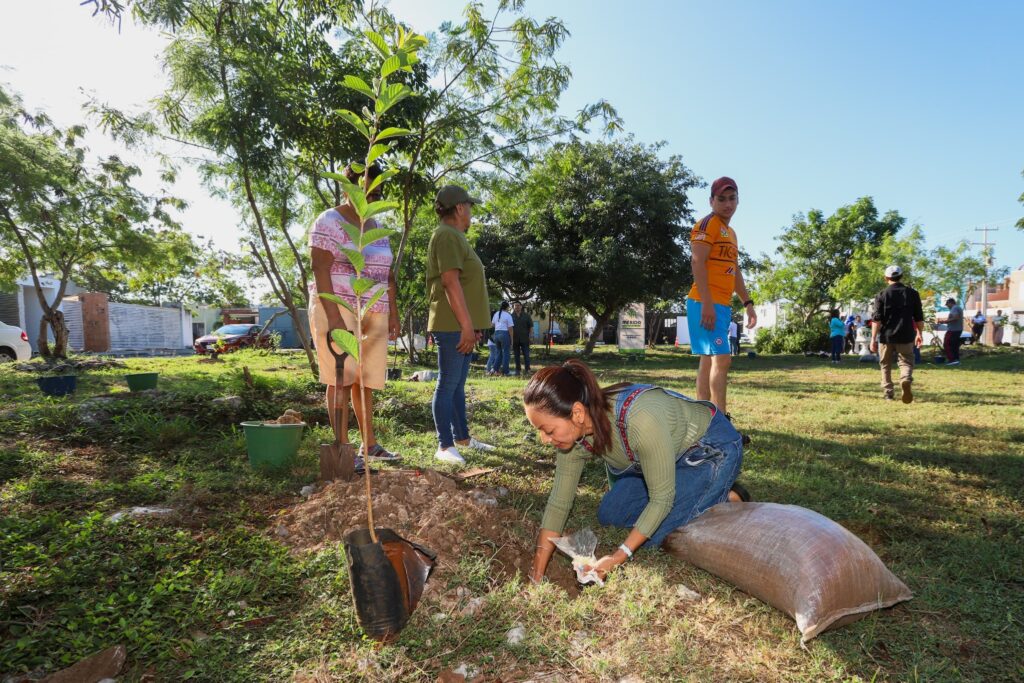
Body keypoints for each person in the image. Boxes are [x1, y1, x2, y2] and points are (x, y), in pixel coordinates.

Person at [523, 360, 748, 583]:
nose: (544, 439)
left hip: (711, 449)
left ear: (577, 413)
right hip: (665, 460)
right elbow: (559, 503)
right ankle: (697, 491)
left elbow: (661, 499)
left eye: (548, 430)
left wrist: (618, 556)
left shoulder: (640, 418)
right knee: (611, 513)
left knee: (656, 536)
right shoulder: (575, 438)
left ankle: (726, 495)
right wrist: (537, 573)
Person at [309, 163, 402, 464]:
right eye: (365, 191)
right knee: (341, 378)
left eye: (376, 193)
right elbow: (319, 267)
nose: (370, 198)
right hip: (339, 308)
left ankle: (369, 445)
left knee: (365, 380)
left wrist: (393, 312)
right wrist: (335, 318)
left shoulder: (376, 228)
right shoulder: (329, 220)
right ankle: (342, 449)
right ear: (348, 188)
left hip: (375, 311)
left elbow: (388, 275)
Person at [426, 184, 496, 465]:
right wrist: (466, 326)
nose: (471, 212)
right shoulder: (446, 235)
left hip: (462, 325)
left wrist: (473, 326)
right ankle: (444, 445)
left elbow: (464, 284)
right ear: (458, 208)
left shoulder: (455, 236)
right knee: (447, 384)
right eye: (469, 206)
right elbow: (450, 282)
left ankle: (462, 438)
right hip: (452, 325)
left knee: (456, 385)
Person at [686, 177, 757, 419]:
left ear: (738, 200)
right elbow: (697, 262)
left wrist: (748, 303)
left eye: (732, 198)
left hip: (720, 303)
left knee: (708, 360)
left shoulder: (731, 233)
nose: (728, 204)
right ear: (711, 201)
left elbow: (734, 270)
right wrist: (707, 303)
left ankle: (704, 418)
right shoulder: (707, 225)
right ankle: (721, 420)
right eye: (721, 199)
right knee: (722, 359)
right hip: (705, 302)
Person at [870, 265, 923, 403]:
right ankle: (905, 379)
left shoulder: (881, 295)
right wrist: (919, 333)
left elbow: (876, 320)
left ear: (886, 278)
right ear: (901, 277)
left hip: (886, 336)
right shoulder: (913, 294)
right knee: (906, 362)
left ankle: (888, 393)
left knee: (885, 364)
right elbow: (919, 317)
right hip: (906, 335)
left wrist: (873, 339)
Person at [491, 301, 514, 376]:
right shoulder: (508, 315)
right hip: (504, 334)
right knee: (506, 353)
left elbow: (492, 325)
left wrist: (499, 325)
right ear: (507, 307)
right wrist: (512, 340)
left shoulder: (496, 314)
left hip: (496, 334)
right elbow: (510, 328)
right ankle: (506, 372)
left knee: (499, 353)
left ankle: (494, 369)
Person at [511, 301, 533, 376]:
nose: (517, 307)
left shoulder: (526, 316)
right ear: (513, 307)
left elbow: (531, 327)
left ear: (521, 306)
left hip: (525, 339)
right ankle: (518, 370)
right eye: (515, 306)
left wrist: (530, 337)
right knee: (516, 355)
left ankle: (528, 369)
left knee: (526, 355)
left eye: (518, 305)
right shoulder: (510, 316)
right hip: (515, 339)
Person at [943, 297, 963, 366]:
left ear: (950, 303)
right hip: (957, 329)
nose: (947, 306)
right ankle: (956, 360)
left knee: (947, 344)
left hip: (953, 330)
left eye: (947, 304)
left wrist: (945, 321)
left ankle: (952, 360)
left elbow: (956, 317)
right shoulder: (958, 308)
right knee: (954, 345)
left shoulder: (954, 308)